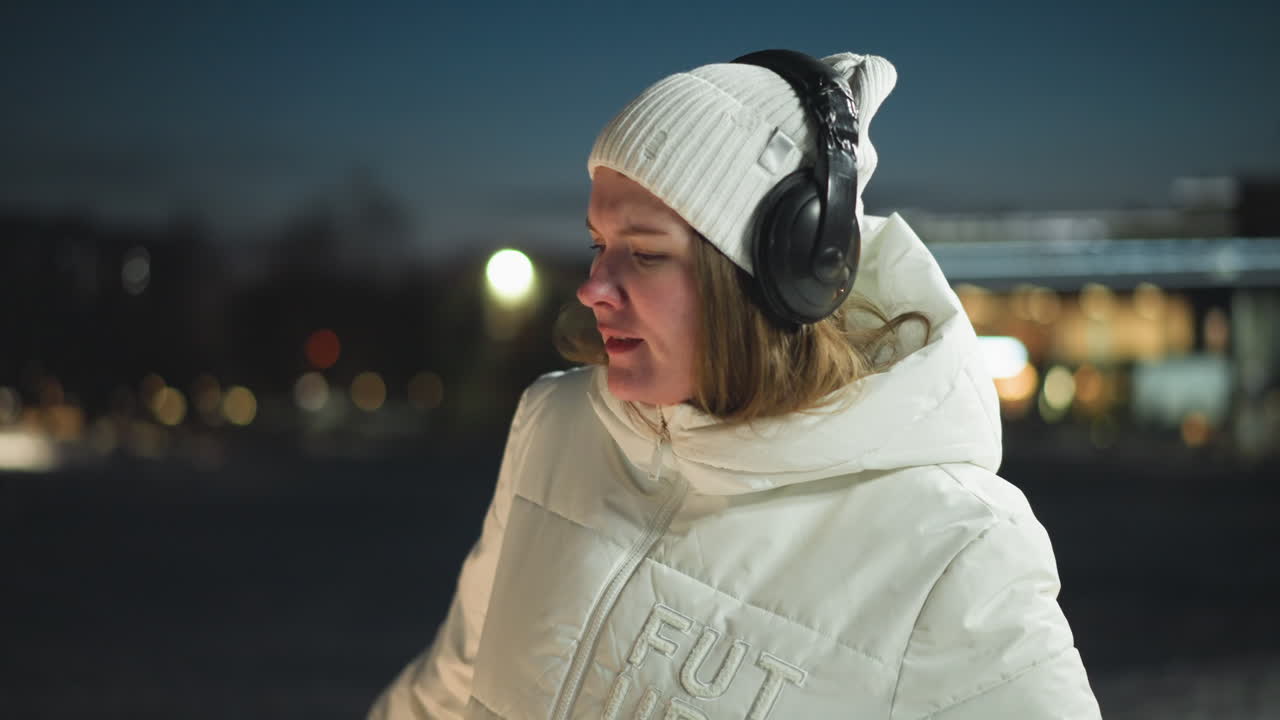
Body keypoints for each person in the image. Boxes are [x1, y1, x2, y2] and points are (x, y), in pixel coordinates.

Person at [370, 49, 1101, 719]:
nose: (595, 286)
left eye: (645, 254)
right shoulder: (556, 427)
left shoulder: (956, 549)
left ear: (783, 277)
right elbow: (452, 682)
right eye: (599, 245)